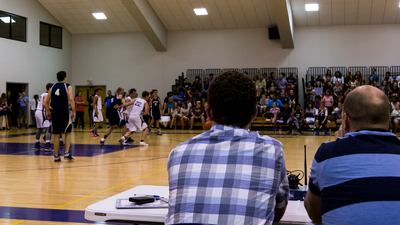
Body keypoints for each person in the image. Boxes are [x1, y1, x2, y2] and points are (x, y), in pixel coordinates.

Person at [166, 71, 289, 225]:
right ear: (254, 113)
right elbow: (278, 211)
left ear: (209, 111)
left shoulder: (177, 153)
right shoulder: (273, 150)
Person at [305, 85, 400, 225]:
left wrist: (341, 142)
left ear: (346, 120)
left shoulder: (328, 153)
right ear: (389, 120)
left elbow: (315, 214)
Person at [45, 71, 75, 162]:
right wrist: (74, 111)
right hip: (64, 111)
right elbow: (71, 99)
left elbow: (47, 101)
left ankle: (56, 156)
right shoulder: (68, 86)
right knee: (67, 132)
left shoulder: (52, 87)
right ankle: (66, 153)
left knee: (56, 134)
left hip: (54, 112)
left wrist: (47, 111)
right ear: (65, 77)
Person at [34, 83, 53, 151]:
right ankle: (47, 146)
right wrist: (51, 108)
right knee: (48, 128)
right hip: (42, 112)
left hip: (37, 111)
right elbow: (44, 103)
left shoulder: (42, 94)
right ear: (50, 88)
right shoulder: (47, 94)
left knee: (40, 129)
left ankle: (37, 144)